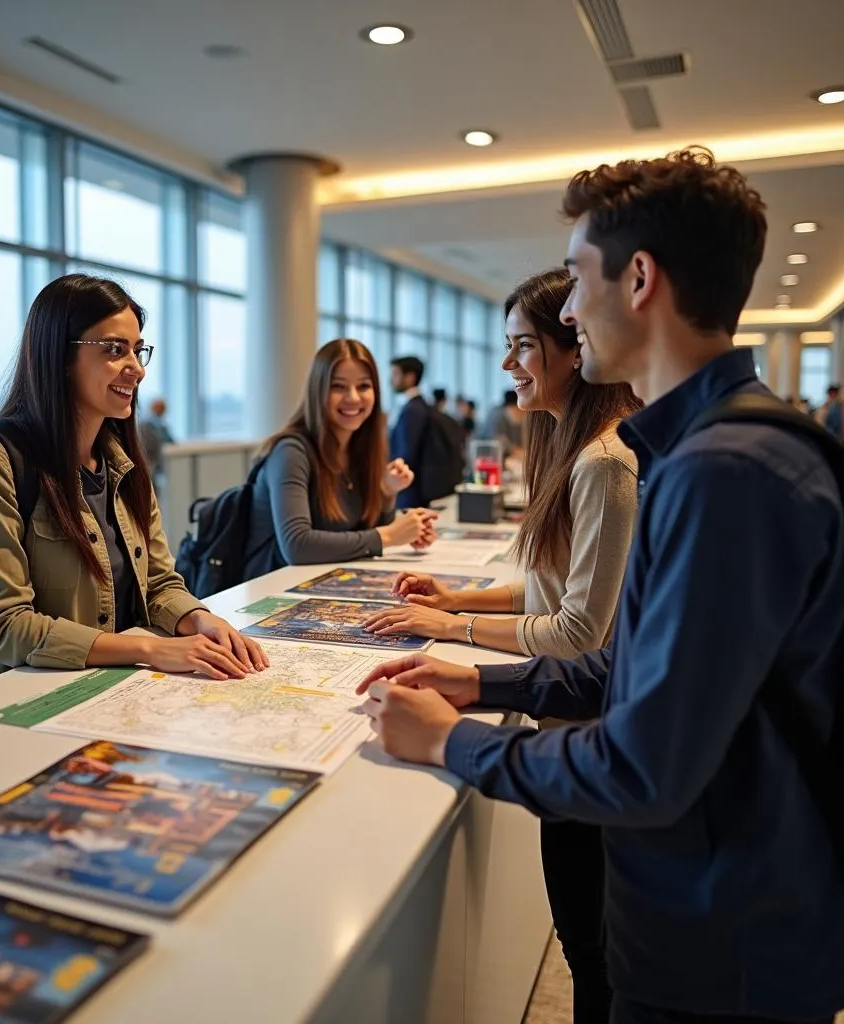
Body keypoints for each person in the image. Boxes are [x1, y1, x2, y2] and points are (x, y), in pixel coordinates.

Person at [358, 148, 844, 1024]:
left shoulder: (727, 473)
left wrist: (449, 745)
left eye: (579, 279)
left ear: (641, 279)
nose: (571, 309)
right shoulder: (704, 455)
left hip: (721, 947)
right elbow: (630, 672)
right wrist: (478, 681)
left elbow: (640, 766)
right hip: (707, 916)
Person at [364, 268, 640, 1024]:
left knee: (593, 950)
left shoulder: (605, 463)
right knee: (586, 938)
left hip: (586, 738)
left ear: (571, 349)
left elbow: (582, 630)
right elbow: (542, 584)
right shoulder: (566, 444)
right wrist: (456, 598)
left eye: (523, 345)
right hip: (568, 730)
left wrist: (454, 632)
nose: (509, 364)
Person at [0, 274, 267, 691]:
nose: (136, 369)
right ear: (60, 357)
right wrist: (146, 650)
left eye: (138, 350)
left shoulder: (123, 460)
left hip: (101, 688)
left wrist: (200, 619)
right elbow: (6, 627)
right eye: (115, 350)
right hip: (11, 697)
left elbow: (158, 583)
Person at [244, 339, 436, 579]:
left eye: (364, 386)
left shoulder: (361, 448)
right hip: (270, 595)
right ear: (318, 391)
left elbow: (364, 533)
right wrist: (389, 536)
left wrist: (387, 493)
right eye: (338, 386)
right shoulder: (291, 451)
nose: (353, 398)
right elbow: (297, 545)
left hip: (326, 584)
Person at [389, 355, 431, 508]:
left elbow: (406, 454)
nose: (391, 380)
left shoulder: (413, 410)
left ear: (410, 377)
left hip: (409, 491)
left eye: (395, 374)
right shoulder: (415, 406)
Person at [482, 388, 527, 457]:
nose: (523, 414)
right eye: (522, 411)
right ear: (512, 407)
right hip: (483, 456)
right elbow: (499, 442)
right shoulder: (497, 417)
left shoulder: (511, 418)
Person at [139, 396, 175, 479]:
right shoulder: (151, 424)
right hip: (149, 462)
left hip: (151, 462)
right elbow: (169, 440)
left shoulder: (155, 424)